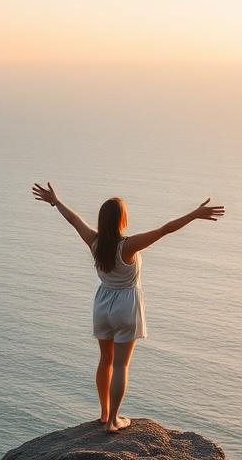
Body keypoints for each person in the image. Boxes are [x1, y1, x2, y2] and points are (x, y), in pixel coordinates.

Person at [31, 182, 225, 432]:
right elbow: (166, 229)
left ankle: (103, 414)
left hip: (102, 303)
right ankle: (113, 421)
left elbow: (74, 219)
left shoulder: (94, 241)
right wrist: (194, 214)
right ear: (122, 219)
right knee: (121, 365)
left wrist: (55, 201)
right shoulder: (129, 246)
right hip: (125, 305)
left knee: (105, 360)